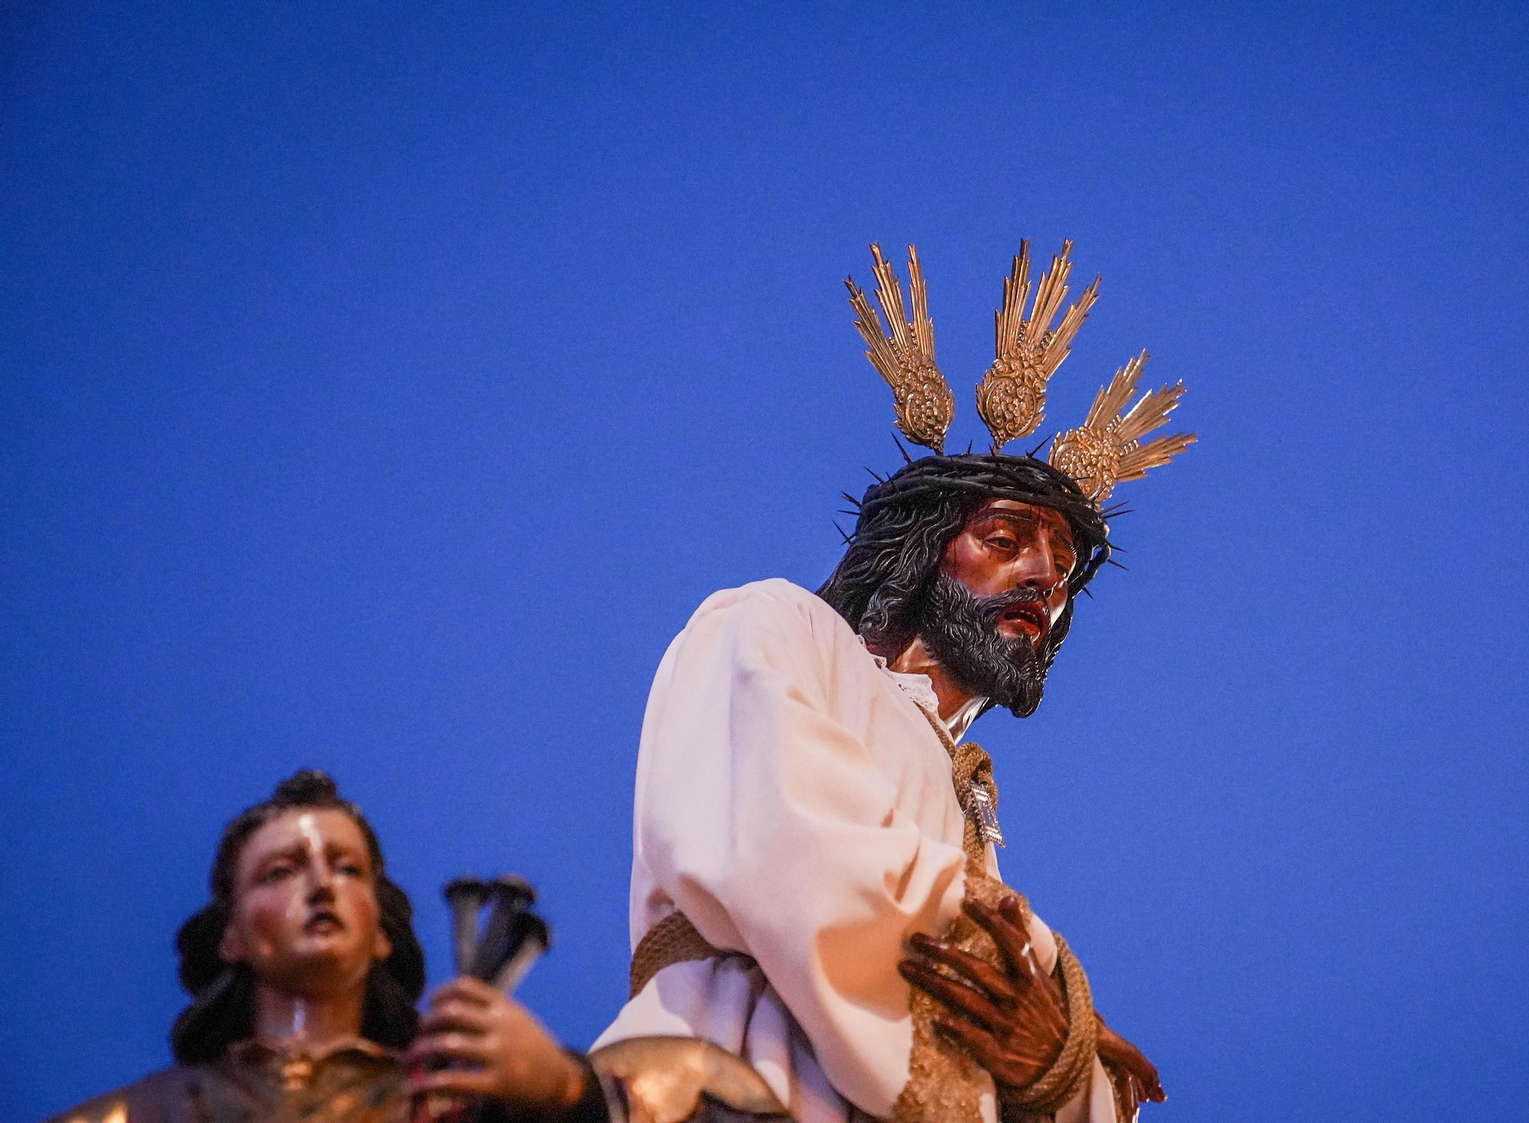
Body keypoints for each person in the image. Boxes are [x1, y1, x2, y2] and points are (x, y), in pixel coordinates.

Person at [595, 242, 1191, 1123]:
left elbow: (1018, 1047)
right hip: (731, 1072)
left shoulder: (967, 793)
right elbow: (788, 845)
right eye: (1004, 539)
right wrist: (1050, 983)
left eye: (1062, 567)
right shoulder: (772, 624)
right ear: (921, 551)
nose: (1045, 580)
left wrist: (1058, 1066)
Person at [43, 770, 786, 1123]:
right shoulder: (145, 1113)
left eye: (346, 868)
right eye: (280, 871)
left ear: (381, 928)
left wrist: (567, 1089)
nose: (321, 885)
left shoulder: (455, 1102)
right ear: (231, 935)